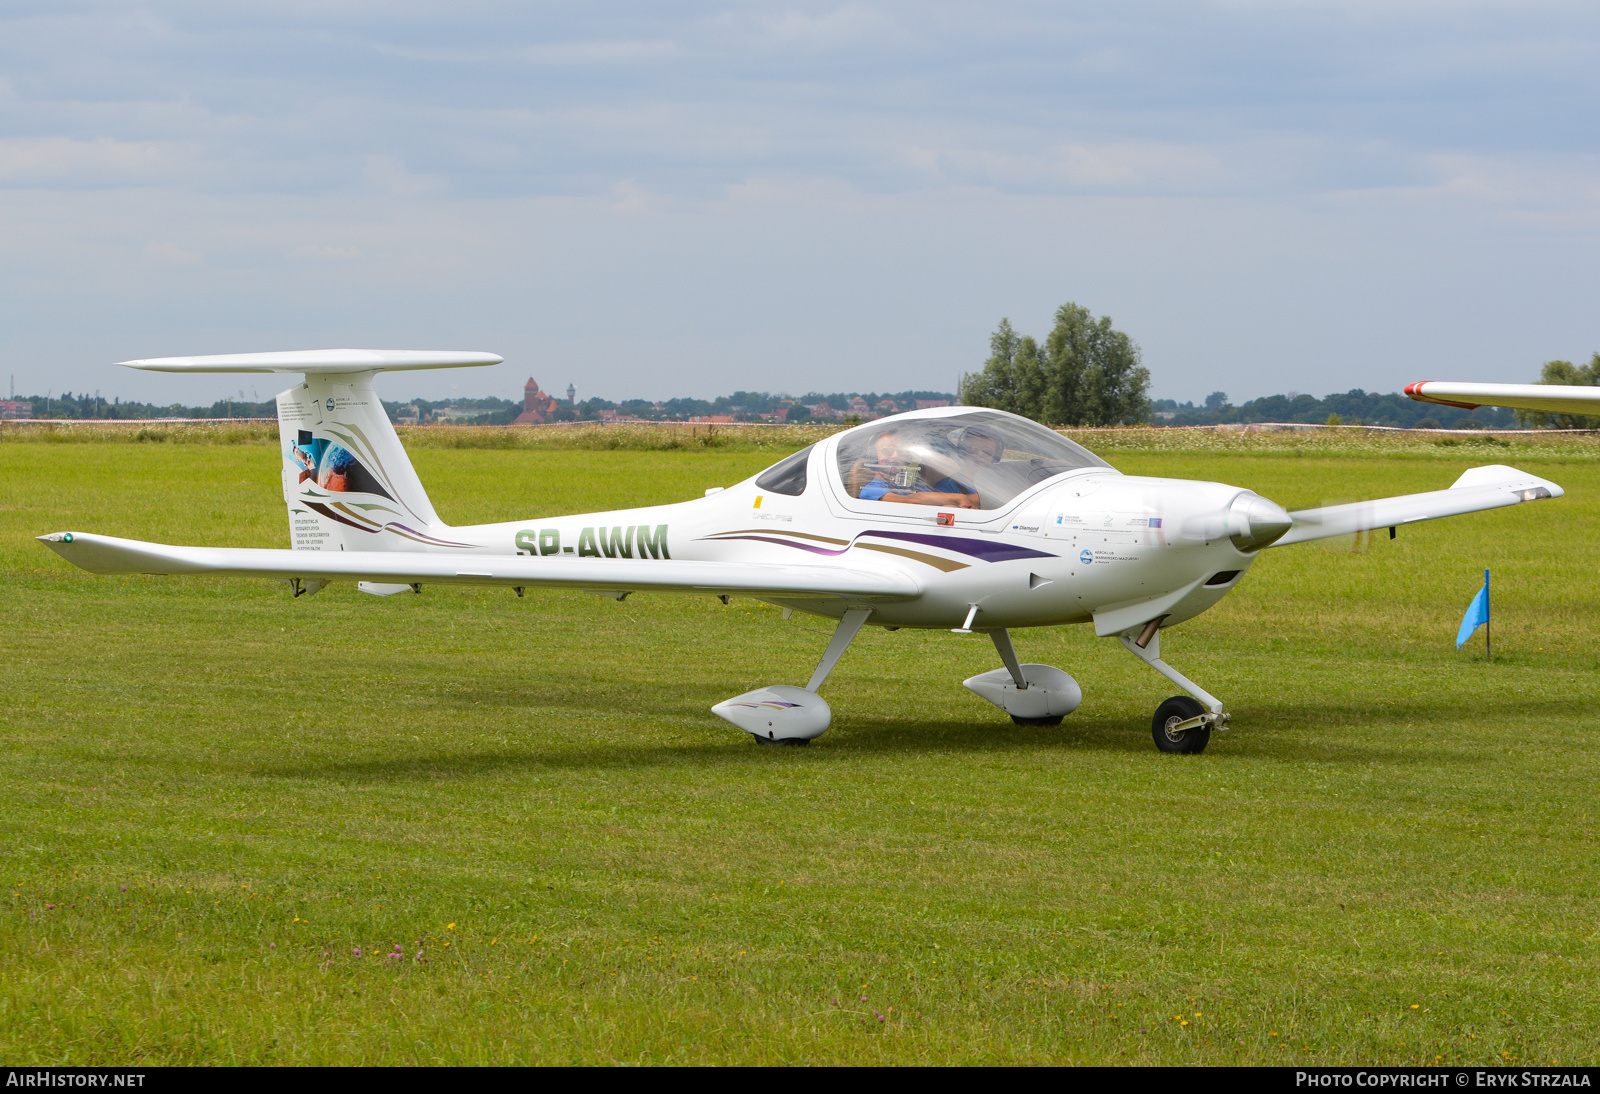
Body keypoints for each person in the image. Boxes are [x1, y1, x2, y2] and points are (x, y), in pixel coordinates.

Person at [857, 427, 982, 508]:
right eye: (888, 452)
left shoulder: (914, 486)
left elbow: (940, 498)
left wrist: (984, 500)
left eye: (901, 452)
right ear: (872, 456)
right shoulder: (871, 490)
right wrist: (959, 498)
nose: (895, 457)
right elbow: (912, 500)